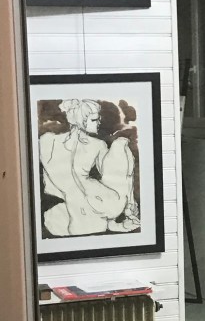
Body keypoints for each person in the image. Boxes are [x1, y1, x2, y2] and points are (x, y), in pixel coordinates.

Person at [39, 98, 139, 237]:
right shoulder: (50, 141)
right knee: (120, 145)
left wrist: (129, 199)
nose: (98, 122)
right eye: (94, 119)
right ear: (82, 121)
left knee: (120, 145)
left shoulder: (96, 145)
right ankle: (121, 215)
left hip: (92, 197)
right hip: (81, 199)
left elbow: (112, 174)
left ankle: (120, 214)